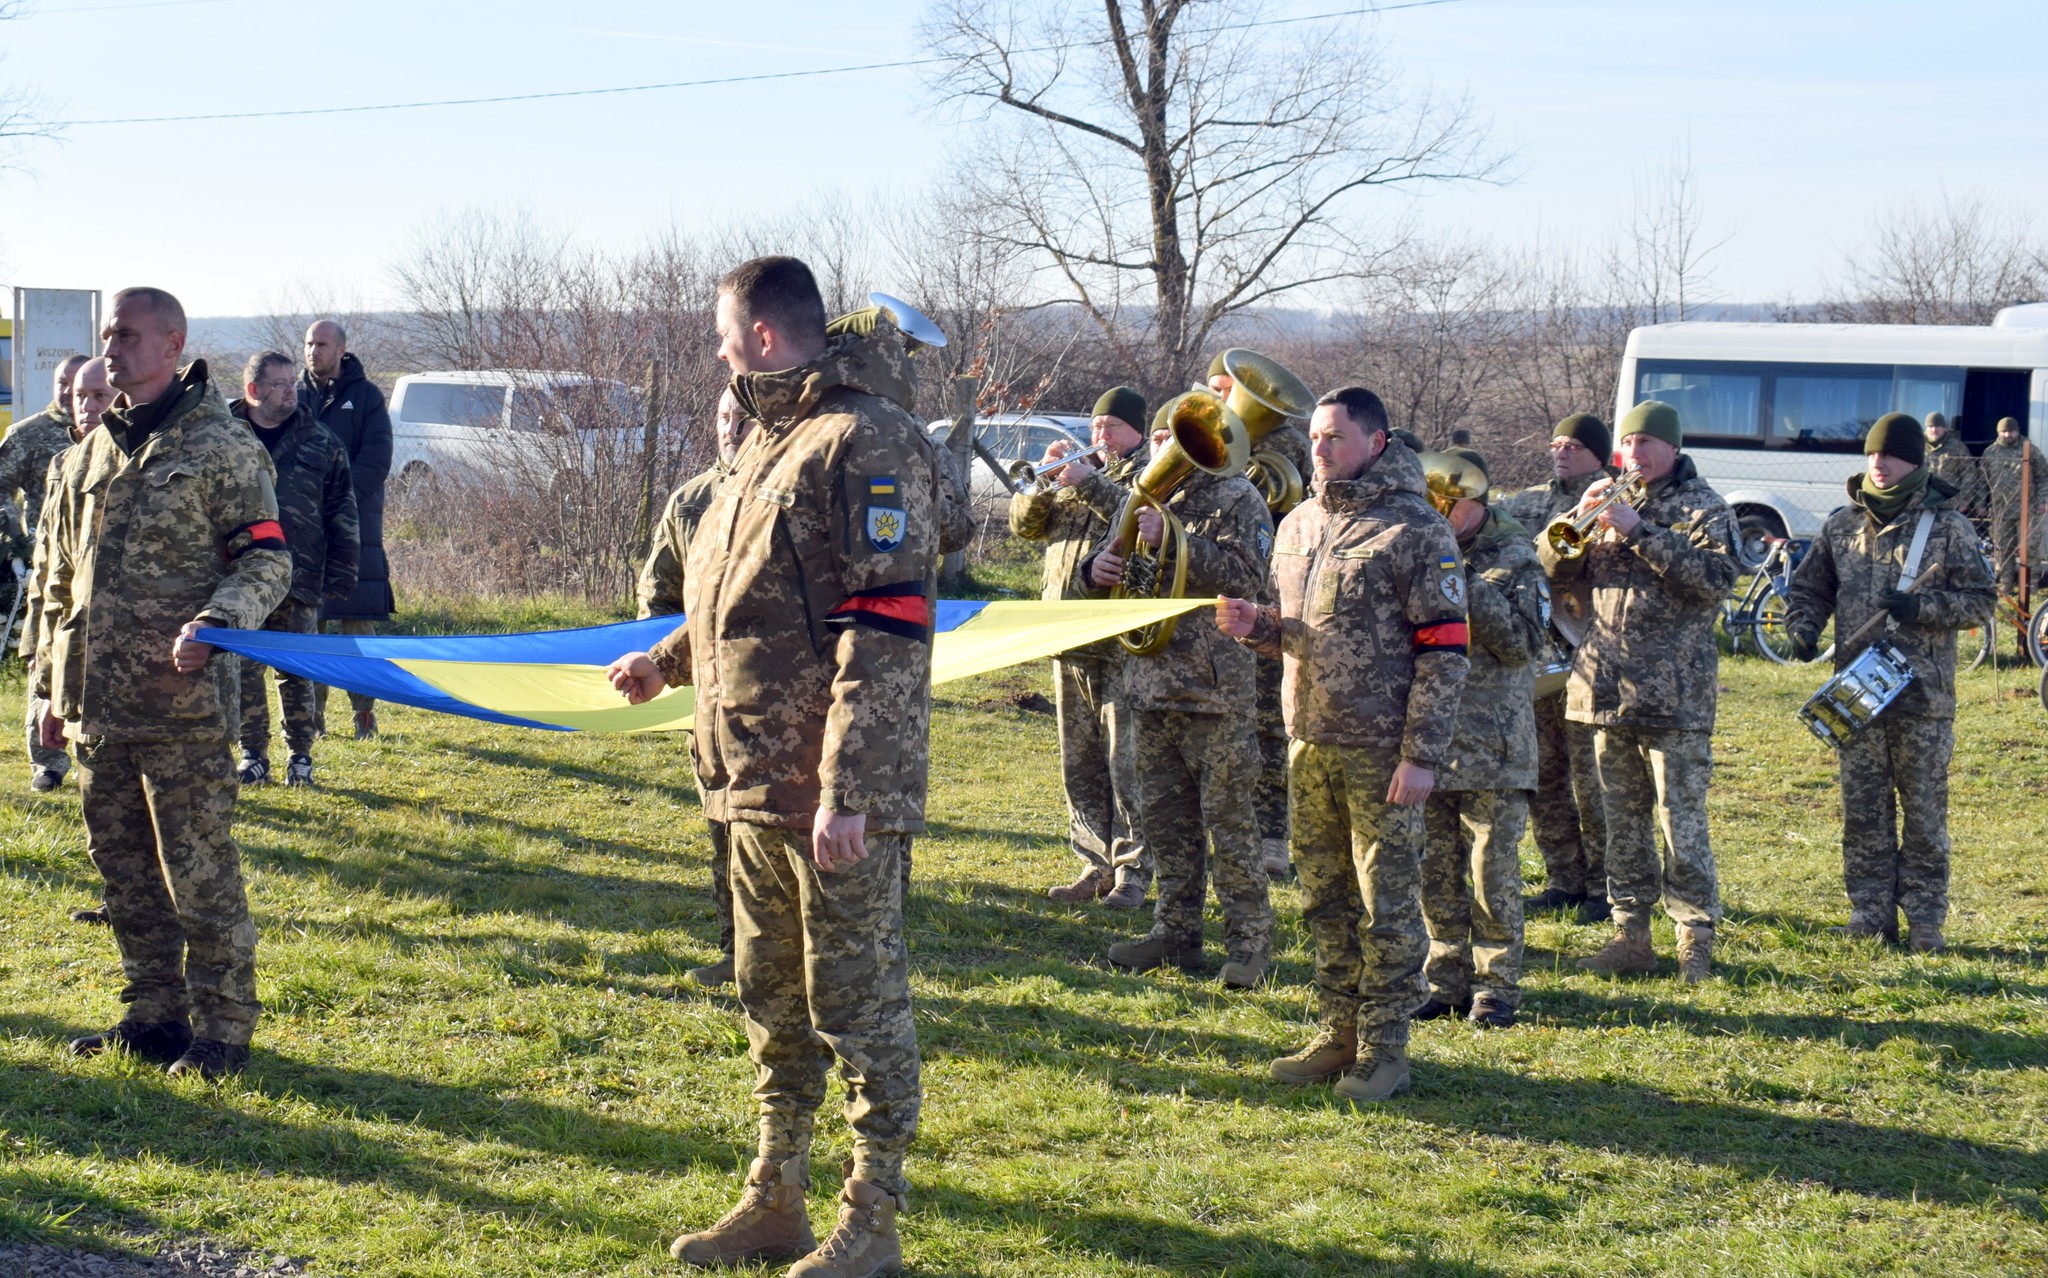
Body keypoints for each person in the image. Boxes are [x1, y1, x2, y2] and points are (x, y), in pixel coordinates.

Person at [606, 256, 934, 1277]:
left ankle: (870, 1217)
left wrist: (850, 791)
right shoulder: (762, 445)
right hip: (746, 775)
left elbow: (882, 629)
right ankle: (775, 1197)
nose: (713, 351)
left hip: (825, 791)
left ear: (759, 334)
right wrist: (664, 663)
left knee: (857, 1003)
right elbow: (735, 603)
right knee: (771, 998)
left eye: (720, 334)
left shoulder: (860, 438)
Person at [38, 287, 291, 1079]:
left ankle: (222, 1030)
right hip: (97, 711)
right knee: (125, 875)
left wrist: (221, 616)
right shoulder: (86, 454)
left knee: (199, 873)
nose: (112, 349)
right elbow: (57, 586)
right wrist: (48, 690)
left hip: (181, 707)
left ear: (173, 342)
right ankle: (152, 1014)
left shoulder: (223, 447)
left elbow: (268, 557)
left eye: (129, 335)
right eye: (107, 335)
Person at [1216, 386, 1468, 1101]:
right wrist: (1258, 626)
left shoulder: (1416, 529)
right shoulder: (1297, 524)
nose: (1320, 450)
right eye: (1316, 438)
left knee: (1385, 902)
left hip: (1383, 751)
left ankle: (1386, 1050)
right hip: (1310, 741)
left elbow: (1446, 651)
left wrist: (1421, 754)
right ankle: (1340, 1032)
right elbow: (1307, 632)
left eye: (1335, 439)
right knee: (1325, 899)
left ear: (1376, 443)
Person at [1541, 400, 1737, 983]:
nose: (1637, 454)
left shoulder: (1706, 510)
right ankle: (1631, 933)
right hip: (1603, 688)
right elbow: (1550, 572)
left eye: (1648, 443)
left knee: (1682, 821)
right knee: (1621, 821)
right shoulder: (1605, 500)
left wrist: (1641, 533)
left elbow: (1713, 583)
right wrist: (1572, 528)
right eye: (1629, 443)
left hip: (1673, 696)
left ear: (1673, 449)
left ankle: (1694, 937)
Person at [1785, 413, 1994, 953]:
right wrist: (1803, 628)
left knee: (1924, 810)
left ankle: (1925, 917)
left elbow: (1981, 600)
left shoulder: (1949, 528)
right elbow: (1811, 589)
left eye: (1891, 456)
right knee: (1863, 809)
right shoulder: (1841, 525)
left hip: (1922, 694)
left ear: (1916, 462)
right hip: (1856, 692)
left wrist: (1921, 606)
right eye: (1872, 455)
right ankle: (1870, 912)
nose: (1878, 465)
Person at [1082, 400, 1273, 988]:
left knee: (1231, 823)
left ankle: (1249, 943)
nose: (1167, 443)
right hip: (1148, 685)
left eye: (1176, 433)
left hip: (1213, 691)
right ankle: (1176, 932)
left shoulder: (1239, 497)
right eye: (1164, 433)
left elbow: (1250, 578)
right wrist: (1096, 572)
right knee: (1165, 824)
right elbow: (1110, 571)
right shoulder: (1144, 495)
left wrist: (1177, 539)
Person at [1009, 386, 1152, 909]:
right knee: (1079, 759)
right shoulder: (1074, 473)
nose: (1100, 435)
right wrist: (1041, 487)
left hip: (1118, 641)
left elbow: (1142, 520)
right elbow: (1024, 527)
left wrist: (1091, 484)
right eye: (1095, 426)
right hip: (1065, 634)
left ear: (1137, 430)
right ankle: (1093, 862)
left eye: (1112, 426)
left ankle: (1133, 871)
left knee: (1125, 760)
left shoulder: (1147, 474)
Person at [1416, 446, 1545, 1030]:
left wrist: (1461, 578)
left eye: (1449, 504)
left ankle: (1496, 988)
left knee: (1493, 871)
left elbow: (1521, 643)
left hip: (1494, 743)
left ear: (1477, 502)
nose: (1438, 513)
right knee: (1434, 869)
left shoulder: (1516, 556)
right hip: (1433, 738)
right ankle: (1445, 980)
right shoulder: (1421, 548)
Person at [635, 386, 753, 989]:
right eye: (722, 418)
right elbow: (657, 601)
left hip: (773, 692)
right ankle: (736, 951)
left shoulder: (786, 488)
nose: (730, 428)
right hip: (705, 692)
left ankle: (783, 958)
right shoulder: (690, 502)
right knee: (721, 822)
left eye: (742, 417)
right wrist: (667, 663)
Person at [1502, 414, 1615, 921]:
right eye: (1557, 444)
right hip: (1540, 659)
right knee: (1543, 774)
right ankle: (1562, 878)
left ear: (1597, 455)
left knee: (1593, 783)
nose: (1562, 452)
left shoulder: (1614, 500)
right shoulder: (1525, 502)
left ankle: (1603, 886)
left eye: (1574, 445)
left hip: (1592, 658)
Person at [229, 351, 358, 788]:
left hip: (298, 575)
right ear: (253, 391)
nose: (291, 391)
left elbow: (343, 509)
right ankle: (252, 753)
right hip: (237, 578)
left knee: (296, 669)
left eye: (293, 383)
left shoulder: (319, 440)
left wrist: (343, 572)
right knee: (245, 667)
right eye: (280, 384)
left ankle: (300, 755)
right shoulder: (224, 437)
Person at [26, 359, 114, 925]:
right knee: (96, 788)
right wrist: (41, 658)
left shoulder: (137, 465)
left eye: (100, 396)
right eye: (81, 396)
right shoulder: (63, 461)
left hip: (124, 656)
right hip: (65, 643)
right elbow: (52, 571)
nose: (88, 407)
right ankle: (119, 892)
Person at [299, 319, 392, 739]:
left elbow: (376, 460)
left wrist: (337, 496)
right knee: (309, 627)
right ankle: (312, 720)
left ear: (341, 349)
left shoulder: (367, 397)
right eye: (307, 344)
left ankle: (364, 717)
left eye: (321, 344)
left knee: (357, 627)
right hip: (305, 527)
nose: (312, 351)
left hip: (356, 529)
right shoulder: (293, 395)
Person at [2, 353, 89, 792]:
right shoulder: (29, 434)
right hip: (45, 564)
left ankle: (93, 754)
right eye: (63, 384)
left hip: (93, 566)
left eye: (80, 386)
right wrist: (14, 540)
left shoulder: (111, 432)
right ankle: (47, 761)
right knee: (43, 657)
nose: (70, 394)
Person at [1980, 416, 2047, 592]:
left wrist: (2043, 500)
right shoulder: (1990, 453)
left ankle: (2031, 587)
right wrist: (1981, 505)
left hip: (2028, 509)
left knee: (2030, 548)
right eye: (2003, 431)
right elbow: (1981, 482)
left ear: (2017, 431)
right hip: (2001, 510)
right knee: (2003, 550)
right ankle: (2006, 586)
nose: (2007, 434)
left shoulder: (2030, 450)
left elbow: (2043, 477)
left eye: (2011, 431)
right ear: (1998, 432)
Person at [1922, 412, 1987, 522]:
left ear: (1944, 428)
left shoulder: (1957, 447)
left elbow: (1969, 474)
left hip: (1950, 505)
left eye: (1938, 426)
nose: (1934, 430)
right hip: (1923, 503)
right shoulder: (1918, 447)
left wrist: (1964, 501)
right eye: (1930, 426)